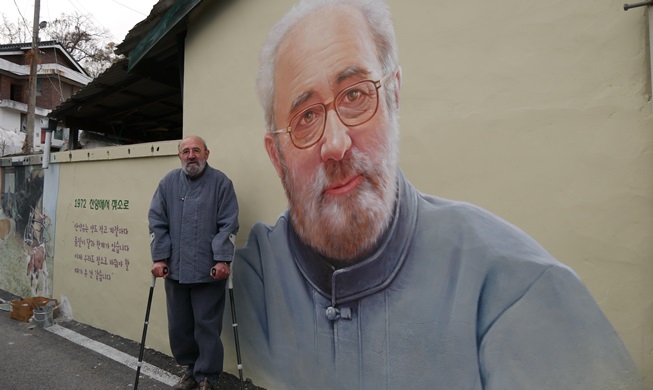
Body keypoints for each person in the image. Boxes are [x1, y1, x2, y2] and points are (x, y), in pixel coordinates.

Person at [229, 0, 644, 389]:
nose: (335, 144)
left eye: (355, 95)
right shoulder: (252, 283)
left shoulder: (518, 293)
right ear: (276, 156)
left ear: (393, 95)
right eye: (305, 117)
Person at [149, 135, 239, 390]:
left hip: (208, 272)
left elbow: (228, 223)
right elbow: (157, 220)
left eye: (196, 150)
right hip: (175, 270)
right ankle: (191, 370)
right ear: (180, 156)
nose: (191, 155)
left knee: (206, 326)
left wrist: (222, 259)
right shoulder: (168, 184)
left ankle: (207, 377)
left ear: (206, 154)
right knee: (179, 327)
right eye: (186, 151)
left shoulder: (221, 183)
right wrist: (159, 257)